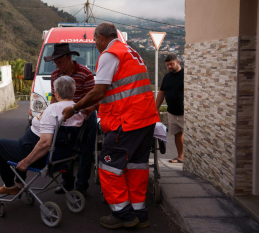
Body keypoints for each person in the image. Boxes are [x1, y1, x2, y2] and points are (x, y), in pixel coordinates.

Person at [62, 22, 160, 229]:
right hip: (145, 120)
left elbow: (98, 91)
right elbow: (117, 91)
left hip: (126, 122)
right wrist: (93, 107)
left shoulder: (109, 54)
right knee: (136, 168)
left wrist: (75, 108)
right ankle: (140, 214)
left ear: (100, 37)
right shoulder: (130, 52)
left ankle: (123, 214)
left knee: (107, 167)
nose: (96, 44)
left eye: (95, 40)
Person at [0, 76, 84, 195]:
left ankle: (10, 185)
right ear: (73, 91)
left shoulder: (52, 110)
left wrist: (26, 162)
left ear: (57, 94)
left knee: (0, 145)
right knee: (20, 142)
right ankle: (19, 183)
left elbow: (45, 143)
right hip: (63, 156)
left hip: (41, 157)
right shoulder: (78, 111)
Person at [43, 43, 97, 196]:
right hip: (65, 120)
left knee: (85, 153)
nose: (58, 66)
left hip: (86, 119)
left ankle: (81, 187)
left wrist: (82, 111)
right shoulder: (55, 76)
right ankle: (67, 183)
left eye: (60, 62)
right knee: (64, 151)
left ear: (68, 58)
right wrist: (50, 113)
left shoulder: (85, 74)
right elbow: (54, 99)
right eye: (55, 63)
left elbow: (93, 100)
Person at [155, 54, 184, 163]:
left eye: (171, 64)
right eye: (167, 65)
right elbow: (161, 93)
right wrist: (155, 109)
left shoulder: (185, 75)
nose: (169, 67)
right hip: (171, 111)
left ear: (178, 62)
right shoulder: (167, 77)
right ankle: (180, 156)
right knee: (177, 134)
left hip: (184, 112)